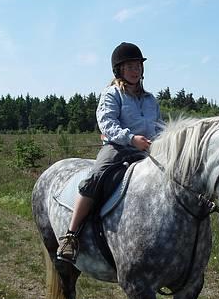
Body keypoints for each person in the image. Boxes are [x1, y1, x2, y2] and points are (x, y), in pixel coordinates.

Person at [57, 42, 164, 264]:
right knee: (96, 176)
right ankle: (71, 235)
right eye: (130, 67)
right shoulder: (112, 94)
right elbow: (107, 123)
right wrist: (131, 139)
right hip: (118, 148)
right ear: (119, 70)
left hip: (148, 149)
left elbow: (159, 125)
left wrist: (161, 141)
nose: (135, 71)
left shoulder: (150, 99)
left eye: (138, 66)